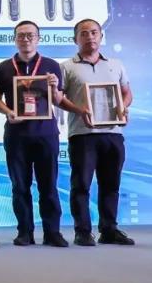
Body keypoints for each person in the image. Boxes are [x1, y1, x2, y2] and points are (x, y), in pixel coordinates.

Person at [57, 18, 136, 246]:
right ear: (75, 39)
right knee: (81, 185)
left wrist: (123, 107)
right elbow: (58, 98)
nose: (89, 37)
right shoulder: (66, 66)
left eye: (94, 32)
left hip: (113, 133)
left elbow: (127, 92)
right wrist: (79, 110)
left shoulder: (116, 64)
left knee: (111, 184)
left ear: (101, 36)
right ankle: (82, 231)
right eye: (84, 33)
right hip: (82, 134)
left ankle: (109, 229)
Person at [0, 20, 68, 247]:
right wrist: (8, 112)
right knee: (20, 186)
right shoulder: (3, 68)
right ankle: (24, 231)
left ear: (38, 38)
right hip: (16, 135)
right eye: (21, 35)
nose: (26, 39)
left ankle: (52, 232)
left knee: (49, 185)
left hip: (46, 133)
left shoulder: (52, 66)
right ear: (15, 39)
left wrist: (54, 86)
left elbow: (58, 100)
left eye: (30, 35)